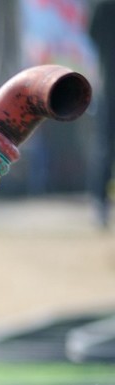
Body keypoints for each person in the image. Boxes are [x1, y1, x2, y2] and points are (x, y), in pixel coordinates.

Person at [90, 0, 115, 228]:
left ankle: (100, 205)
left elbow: (92, 35)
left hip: (110, 87)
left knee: (105, 148)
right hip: (110, 89)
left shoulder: (104, 8)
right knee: (105, 149)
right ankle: (100, 204)